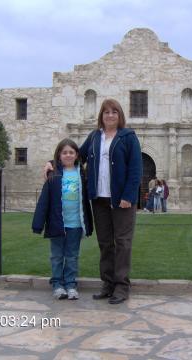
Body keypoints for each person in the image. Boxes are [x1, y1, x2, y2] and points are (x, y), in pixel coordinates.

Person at [44, 98, 142, 304]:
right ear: (101, 116)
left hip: (121, 200)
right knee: (105, 243)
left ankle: (121, 287)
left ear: (120, 115)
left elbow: (135, 170)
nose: (110, 115)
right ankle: (108, 284)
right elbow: (76, 155)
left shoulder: (129, 137)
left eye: (114, 112)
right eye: (106, 112)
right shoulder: (95, 137)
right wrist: (52, 163)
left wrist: (128, 196)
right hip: (99, 199)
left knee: (123, 243)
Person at [33, 139, 93, 300]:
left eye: (71, 152)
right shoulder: (53, 175)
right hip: (57, 224)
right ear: (59, 155)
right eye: (64, 152)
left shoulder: (82, 174)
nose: (68, 155)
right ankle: (58, 284)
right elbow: (44, 201)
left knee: (72, 256)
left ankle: (71, 284)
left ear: (77, 155)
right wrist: (38, 224)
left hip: (75, 224)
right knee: (57, 256)